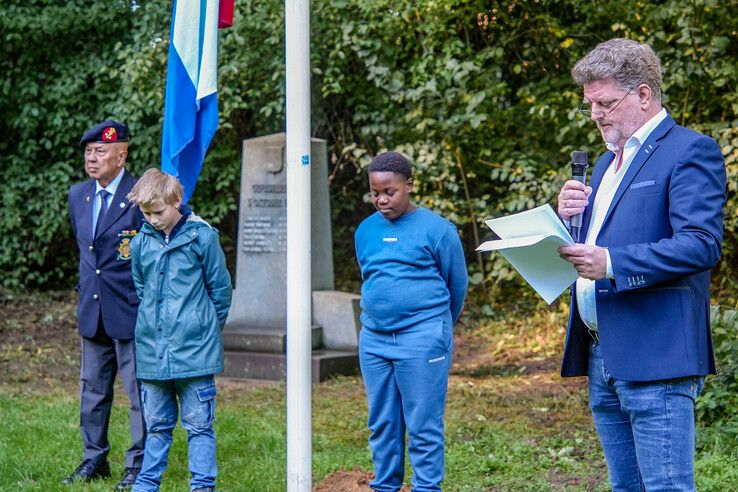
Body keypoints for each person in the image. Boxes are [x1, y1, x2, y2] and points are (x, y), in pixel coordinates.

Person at [557, 38, 726, 490]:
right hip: (601, 350)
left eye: (606, 103)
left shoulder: (690, 150)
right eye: (590, 105)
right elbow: (595, 244)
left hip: (657, 355)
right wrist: (567, 221)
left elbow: (701, 244)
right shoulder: (609, 164)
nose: (596, 114)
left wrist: (611, 261)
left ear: (644, 94)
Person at [354, 151, 468, 492]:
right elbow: (370, 274)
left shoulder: (438, 231)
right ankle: (385, 486)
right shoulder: (365, 230)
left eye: (390, 191)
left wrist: (435, 329)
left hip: (423, 337)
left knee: (422, 423)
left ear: (410, 185)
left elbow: (457, 286)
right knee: (382, 421)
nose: (381, 200)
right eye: (375, 193)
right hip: (374, 340)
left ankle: (426, 487)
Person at [127, 168, 232, 492]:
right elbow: (141, 287)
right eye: (146, 213)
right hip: (152, 352)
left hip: (195, 353)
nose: (153, 219)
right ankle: (146, 485)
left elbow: (220, 291)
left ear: (177, 201)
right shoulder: (141, 241)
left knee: (199, 425)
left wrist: (203, 329)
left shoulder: (202, 237)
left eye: (158, 212)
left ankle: (202, 486)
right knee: (156, 426)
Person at [65, 120, 145, 490]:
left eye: (100, 152)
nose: (91, 159)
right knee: (93, 391)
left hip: (130, 310)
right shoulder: (78, 195)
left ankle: (138, 465)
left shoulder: (141, 194)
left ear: (122, 154)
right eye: (88, 152)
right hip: (93, 312)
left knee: (139, 393)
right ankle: (93, 459)